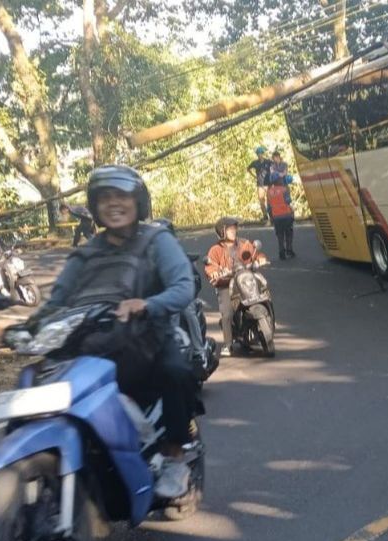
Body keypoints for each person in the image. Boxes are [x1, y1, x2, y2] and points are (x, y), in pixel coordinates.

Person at [38, 165, 198, 498]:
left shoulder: (157, 241)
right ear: (95, 206)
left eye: (122, 196)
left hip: (148, 341)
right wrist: (28, 326)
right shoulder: (85, 253)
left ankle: (175, 456)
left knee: (175, 370)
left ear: (138, 202)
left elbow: (183, 287)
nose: (114, 204)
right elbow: (56, 302)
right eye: (105, 197)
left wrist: (146, 304)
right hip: (93, 346)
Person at [204, 216, 267, 356]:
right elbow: (210, 266)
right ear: (222, 232)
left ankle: (264, 322)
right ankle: (228, 344)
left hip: (244, 280)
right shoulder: (215, 250)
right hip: (226, 284)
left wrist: (260, 258)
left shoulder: (244, 243)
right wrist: (214, 273)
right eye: (230, 229)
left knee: (262, 291)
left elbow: (255, 253)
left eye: (234, 228)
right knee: (227, 313)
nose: (234, 231)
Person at [267, 175, 296, 260]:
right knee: (289, 233)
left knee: (279, 235)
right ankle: (289, 250)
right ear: (279, 180)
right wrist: (292, 212)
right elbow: (288, 201)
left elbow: (268, 207)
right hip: (286, 215)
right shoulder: (284, 189)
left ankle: (281, 252)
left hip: (276, 217)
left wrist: (271, 218)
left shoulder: (269, 192)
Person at [247, 147, 273, 223]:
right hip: (260, 184)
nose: (259, 155)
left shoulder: (268, 162)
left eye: (261, 153)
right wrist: (254, 176)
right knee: (261, 200)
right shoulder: (255, 163)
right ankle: (265, 216)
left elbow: (274, 167)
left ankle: (271, 215)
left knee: (269, 200)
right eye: (258, 154)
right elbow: (248, 169)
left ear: (263, 154)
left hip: (268, 183)